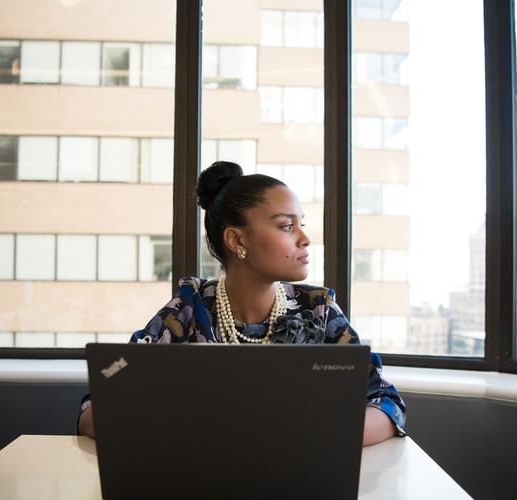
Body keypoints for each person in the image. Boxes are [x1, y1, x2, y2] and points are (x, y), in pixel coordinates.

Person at [77, 161, 406, 445]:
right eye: (286, 226)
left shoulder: (319, 310)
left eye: (300, 224)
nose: (305, 239)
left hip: (301, 491)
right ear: (237, 240)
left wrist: (317, 436)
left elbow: (386, 402)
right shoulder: (189, 311)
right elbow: (96, 408)